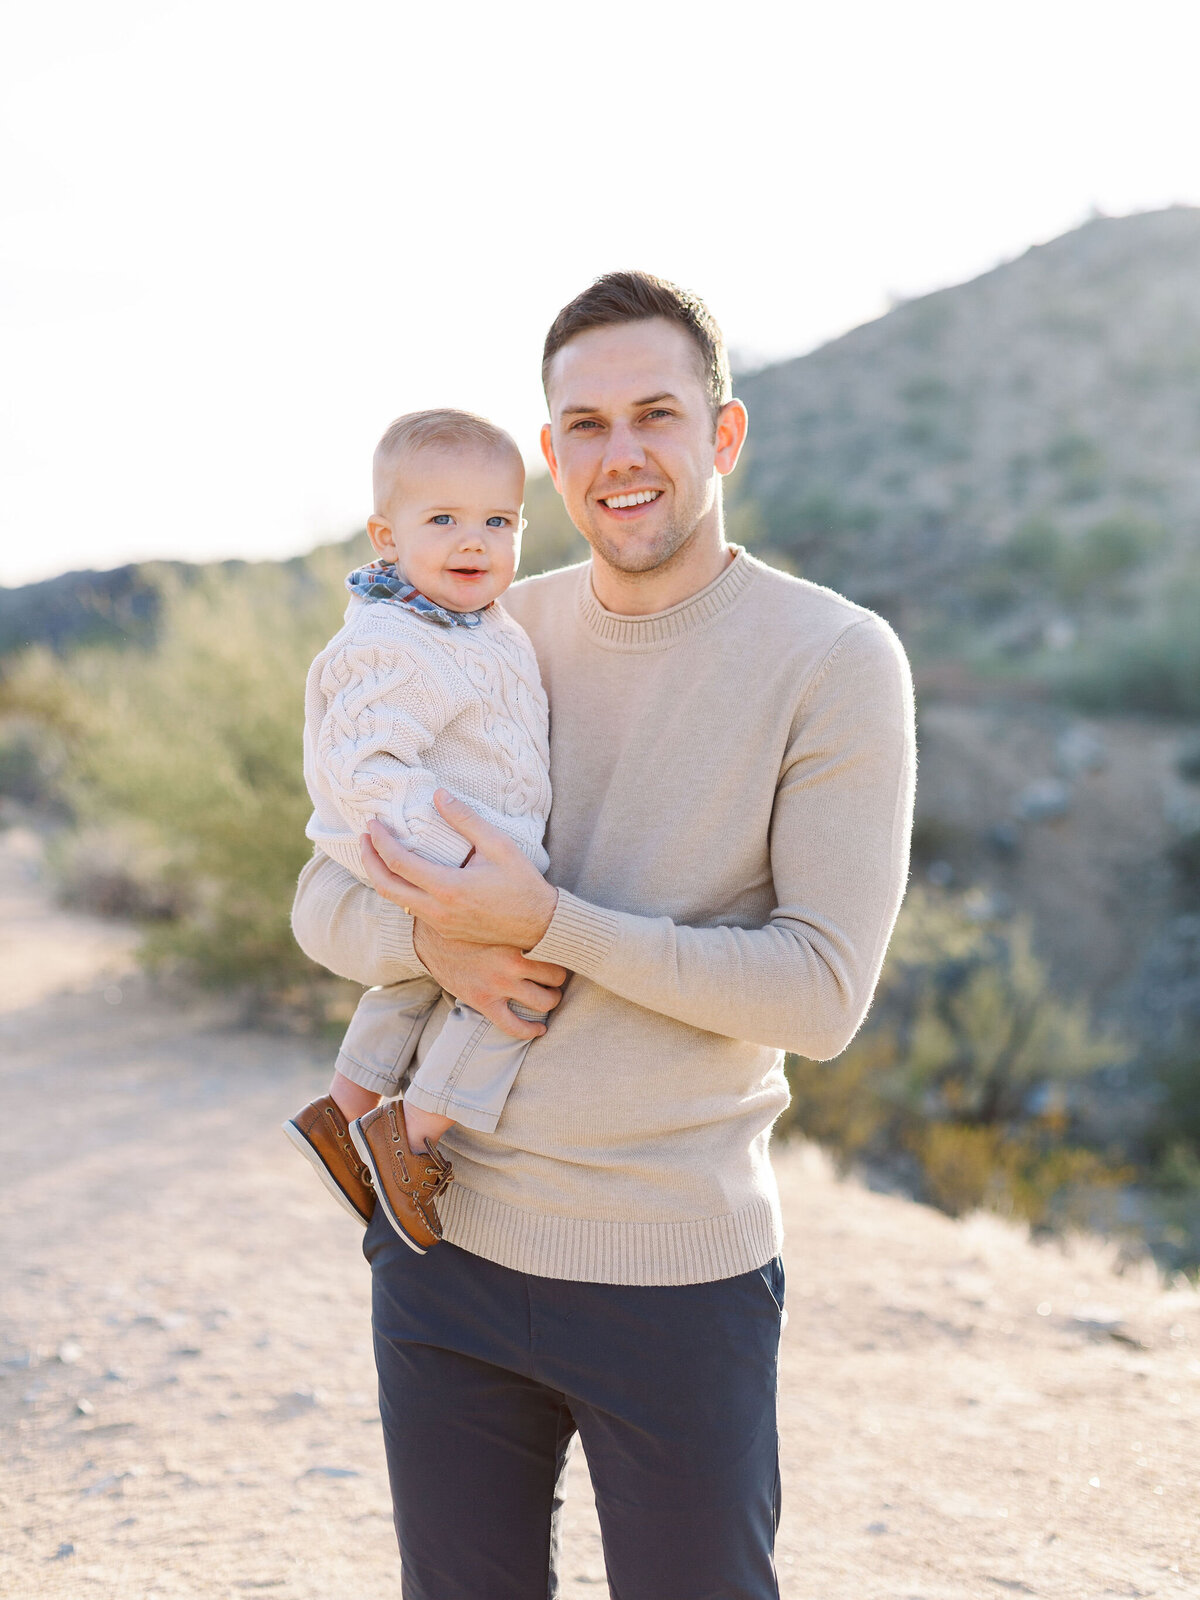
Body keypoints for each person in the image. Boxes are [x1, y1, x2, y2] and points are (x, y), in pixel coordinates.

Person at [291, 271, 917, 1599]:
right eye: (583, 424)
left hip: (673, 1278)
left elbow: (820, 994)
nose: (618, 454)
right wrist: (441, 947)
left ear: (722, 434)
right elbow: (321, 901)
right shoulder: (478, 623)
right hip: (443, 1248)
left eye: (654, 414)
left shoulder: (835, 658)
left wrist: (548, 926)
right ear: (550, 453)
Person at [284, 408, 552, 1249]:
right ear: (385, 536)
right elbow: (363, 764)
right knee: (520, 979)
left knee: (419, 980)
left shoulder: (480, 623)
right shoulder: (394, 639)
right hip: (428, 848)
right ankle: (417, 1132)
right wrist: (458, 873)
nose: (474, 541)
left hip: (446, 849)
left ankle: (345, 1110)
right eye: (443, 520)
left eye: (497, 522)